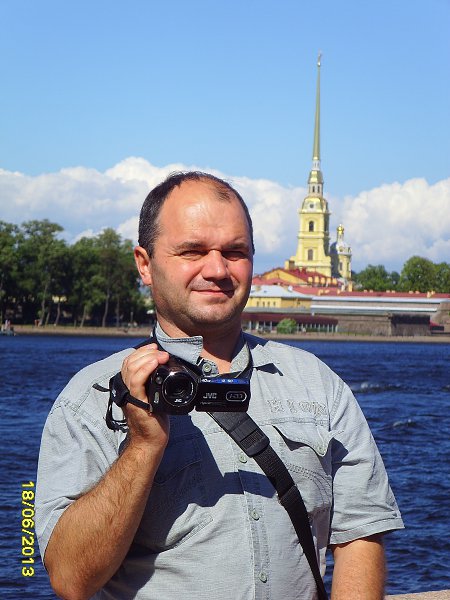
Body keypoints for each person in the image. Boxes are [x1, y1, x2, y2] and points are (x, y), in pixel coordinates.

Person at [35, 171, 403, 600]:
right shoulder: (90, 398)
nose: (216, 269)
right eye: (192, 251)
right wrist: (142, 446)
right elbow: (70, 579)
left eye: (235, 252)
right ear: (145, 265)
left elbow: (360, 536)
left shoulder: (317, 383)